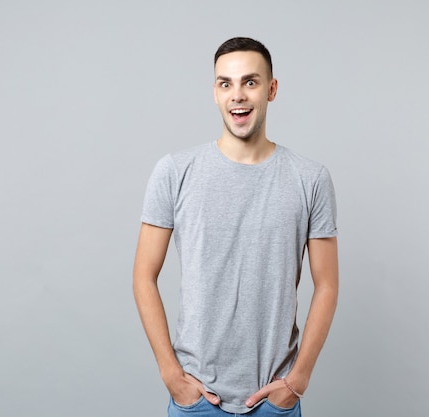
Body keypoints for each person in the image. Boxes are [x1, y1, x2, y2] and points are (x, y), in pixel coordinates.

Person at [133, 36, 339, 416]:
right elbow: (143, 275)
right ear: (215, 92)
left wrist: (299, 380)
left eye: (250, 82)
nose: (237, 95)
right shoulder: (174, 171)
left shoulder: (310, 178)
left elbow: (327, 283)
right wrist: (170, 374)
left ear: (271, 89)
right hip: (196, 399)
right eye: (226, 84)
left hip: (273, 400)